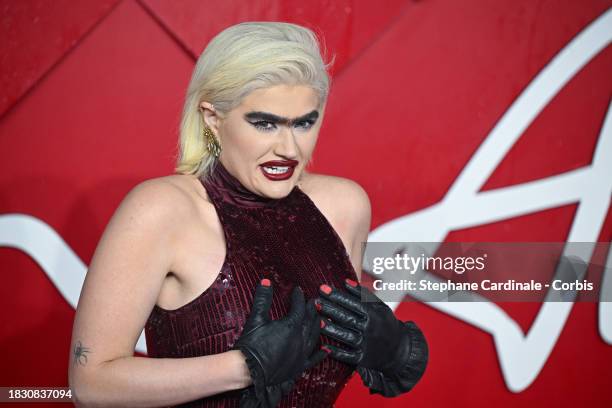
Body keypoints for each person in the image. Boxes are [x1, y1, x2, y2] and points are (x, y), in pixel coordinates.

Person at [68, 21, 427, 407]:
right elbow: (91, 384)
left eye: (305, 122)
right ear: (212, 118)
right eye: (264, 123)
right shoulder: (162, 210)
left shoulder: (344, 206)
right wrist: (243, 367)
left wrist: (391, 351)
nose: (288, 148)